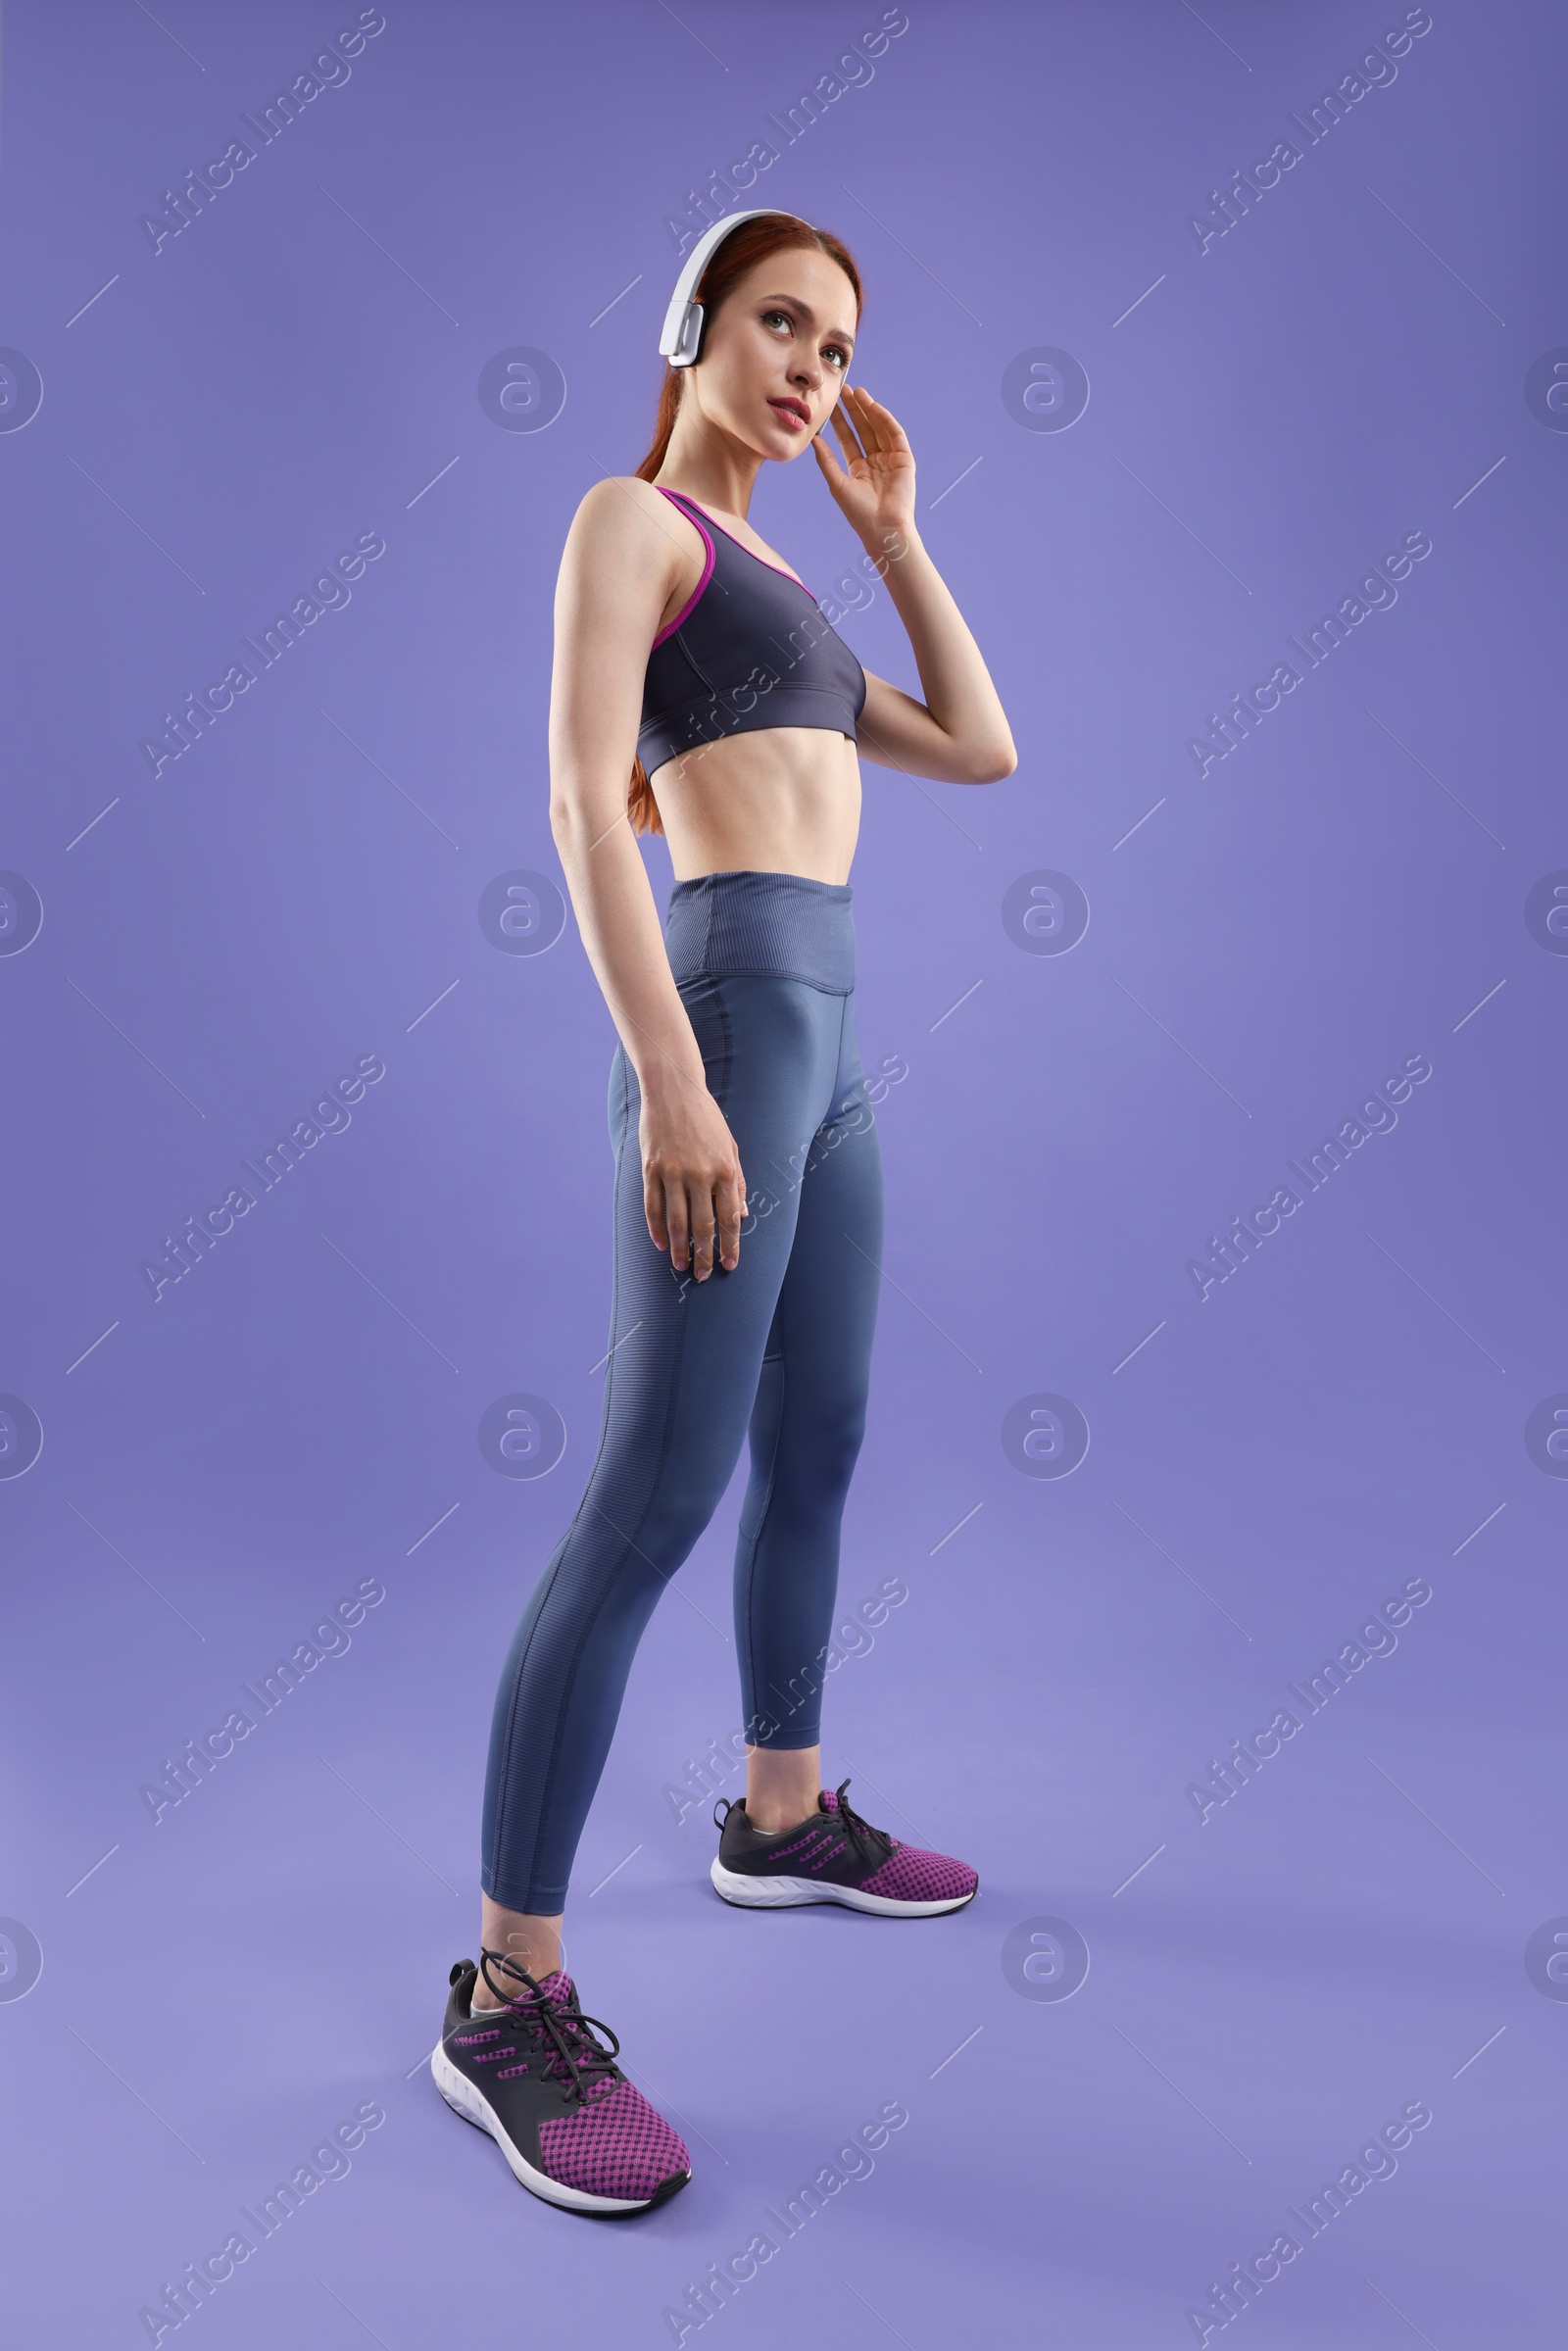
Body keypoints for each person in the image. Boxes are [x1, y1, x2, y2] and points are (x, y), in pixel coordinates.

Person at [430, 209, 1016, 2215]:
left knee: (823, 1437)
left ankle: (776, 1818)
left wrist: (890, 535)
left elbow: (979, 746)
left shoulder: (789, 567)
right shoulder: (636, 522)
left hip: (832, 1024)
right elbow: (584, 800)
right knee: (653, 1494)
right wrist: (672, 1075)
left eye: (839, 347)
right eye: (781, 323)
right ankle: (505, 1992)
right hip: (726, 1010)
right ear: (694, 324)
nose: (810, 368)